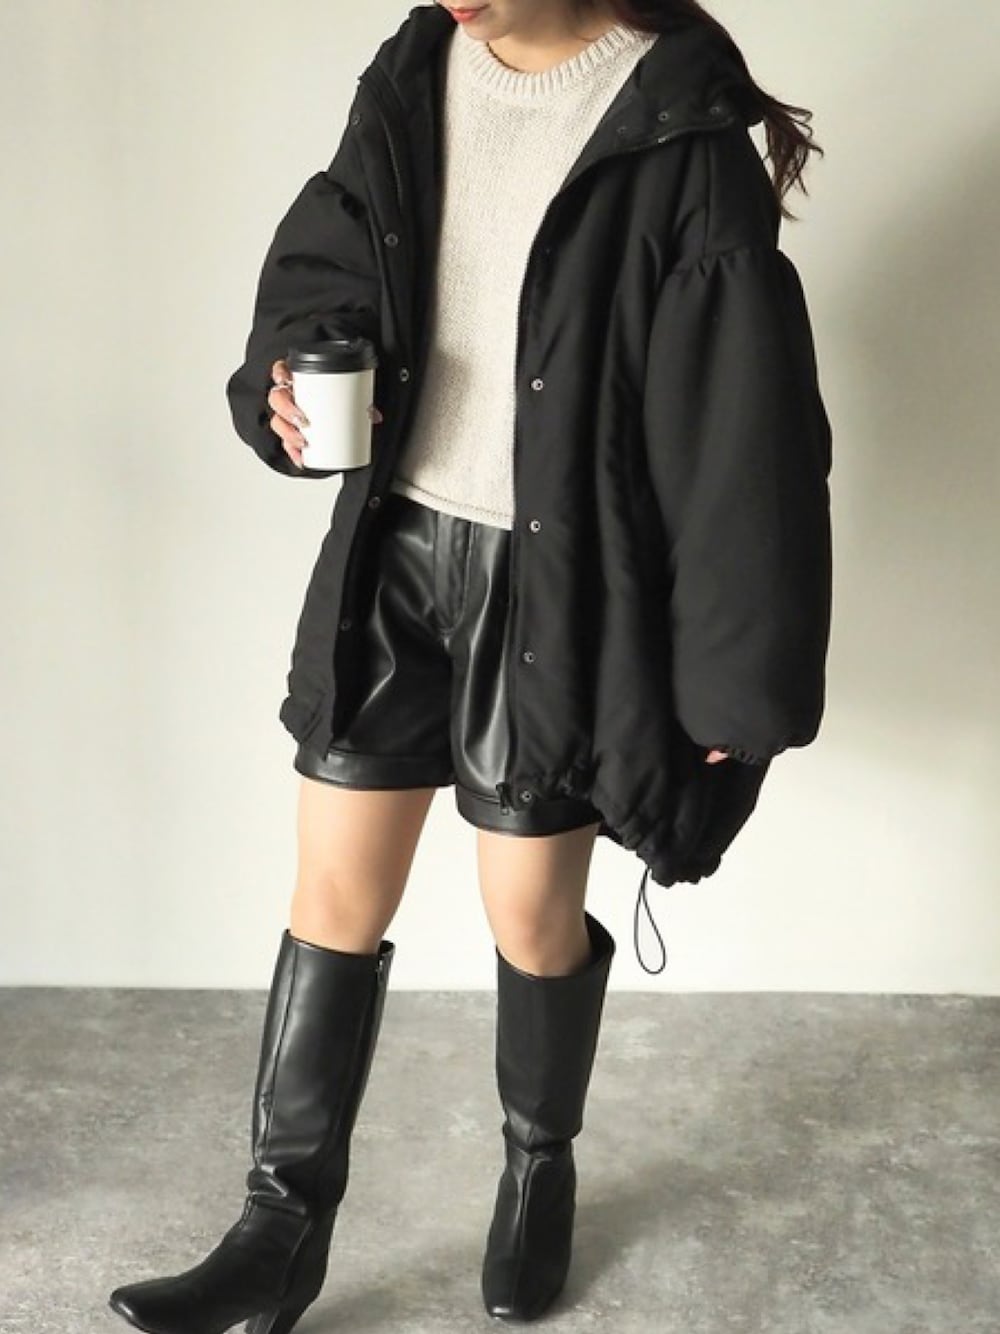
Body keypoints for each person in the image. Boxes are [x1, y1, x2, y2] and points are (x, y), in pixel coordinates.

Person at [108, 0, 832, 1330]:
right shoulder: (413, 71)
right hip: (392, 548)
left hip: (555, 581)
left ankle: (537, 1169)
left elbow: (747, 429)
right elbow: (330, 261)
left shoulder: (678, 128)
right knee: (331, 891)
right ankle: (278, 1228)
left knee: (527, 913)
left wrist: (738, 677)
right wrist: (287, 382)